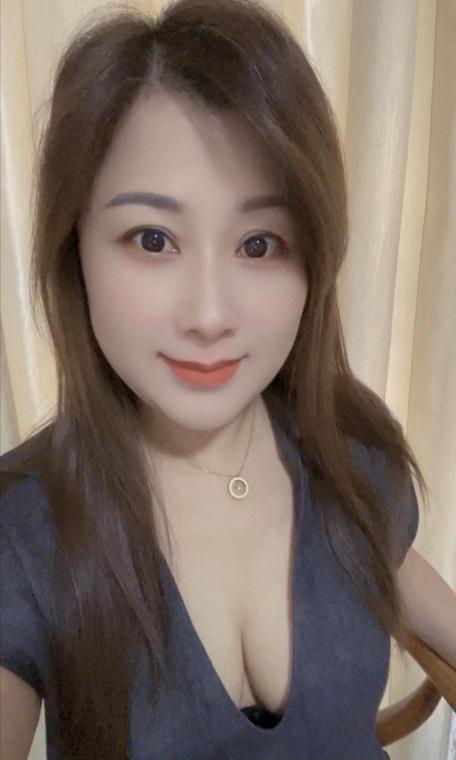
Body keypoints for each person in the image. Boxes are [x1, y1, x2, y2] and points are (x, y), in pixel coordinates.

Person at [1, 1, 455, 759]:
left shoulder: (347, 455)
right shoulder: (23, 527)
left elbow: (407, 582)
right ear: (74, 247)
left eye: (259, 244)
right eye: (153, 239)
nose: (210, 315)